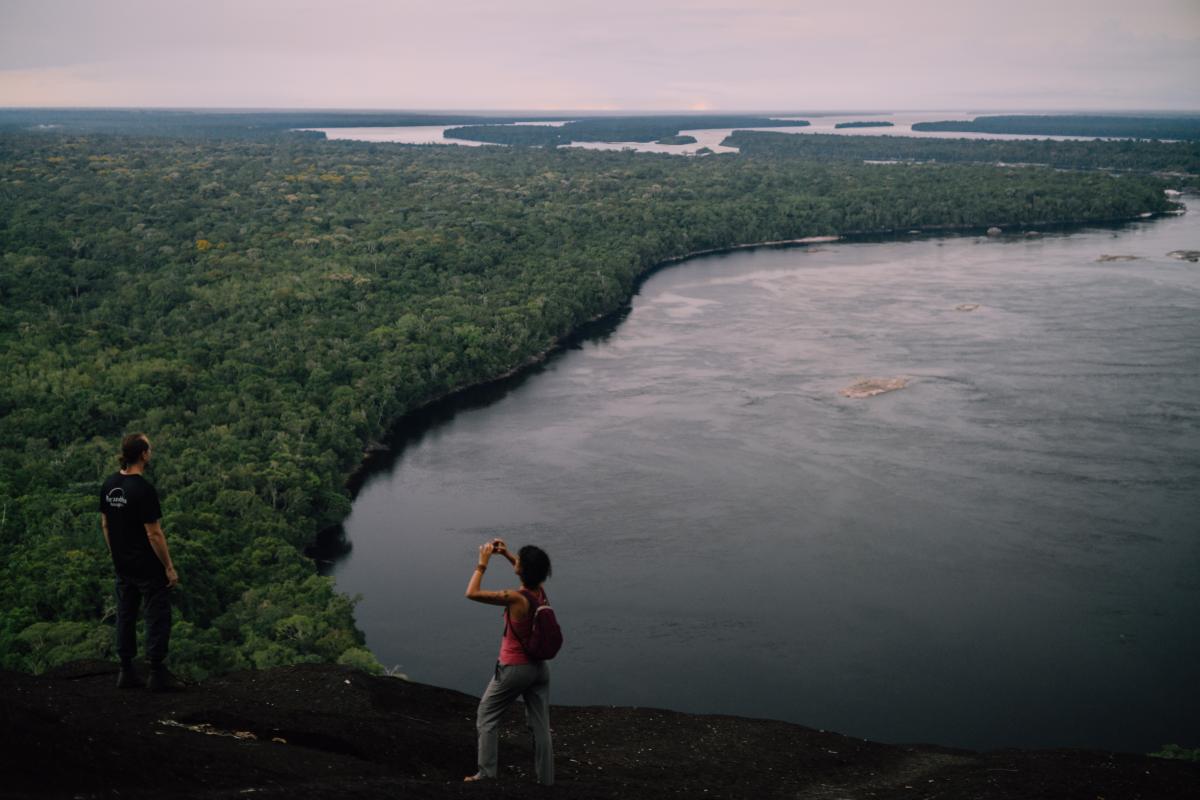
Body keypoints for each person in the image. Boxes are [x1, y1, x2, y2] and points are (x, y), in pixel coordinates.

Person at [463, 539, 554, 785]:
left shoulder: (514, 598)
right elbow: (529, 573)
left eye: (519, 561)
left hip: (515, 668)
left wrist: (482, 564)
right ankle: (546, 780)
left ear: (522, 570)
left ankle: (486, 775)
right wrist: (507, 555)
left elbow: (471, 592)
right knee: (540, 726)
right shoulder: (539, 592)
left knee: (486, 715)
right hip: (540, 668)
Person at [99, 433, 181, 691]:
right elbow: (154, 533)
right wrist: (168, 567)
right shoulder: (143, 489)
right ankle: (156, 672)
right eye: (150, 449)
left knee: (126, 613)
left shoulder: (110, 484)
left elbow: (105, 524)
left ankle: (126, 670)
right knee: (156, 614)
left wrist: (116, 553)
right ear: (144, 454)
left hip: (123, 564)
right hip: (147, 565)